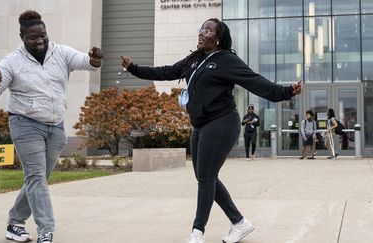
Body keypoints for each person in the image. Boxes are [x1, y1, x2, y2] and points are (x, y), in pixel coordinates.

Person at [120, 18, 302, 243]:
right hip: (200, 125)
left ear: (218, 38)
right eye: (201, 28)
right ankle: (240, 223)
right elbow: (167, 71)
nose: (202, 32)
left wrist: (286, 92)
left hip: (223, 122)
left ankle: (198, 232)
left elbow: (255, 82)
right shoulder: (195, 60)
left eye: (208, 30)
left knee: (206, 177)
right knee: (205, 177)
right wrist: (133, 68)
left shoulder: (227, 60)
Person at [0, 10, 103, 243]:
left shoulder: (60, 52)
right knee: (36, 177)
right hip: (25, 124)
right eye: (33, 37)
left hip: (55, 126)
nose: (39, 41)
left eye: (43, 36)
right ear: (22, 36)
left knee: (38, 179)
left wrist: (95, 59)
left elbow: (85, 62)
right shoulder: (11, 61)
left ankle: (15, 222)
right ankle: (46, 230)